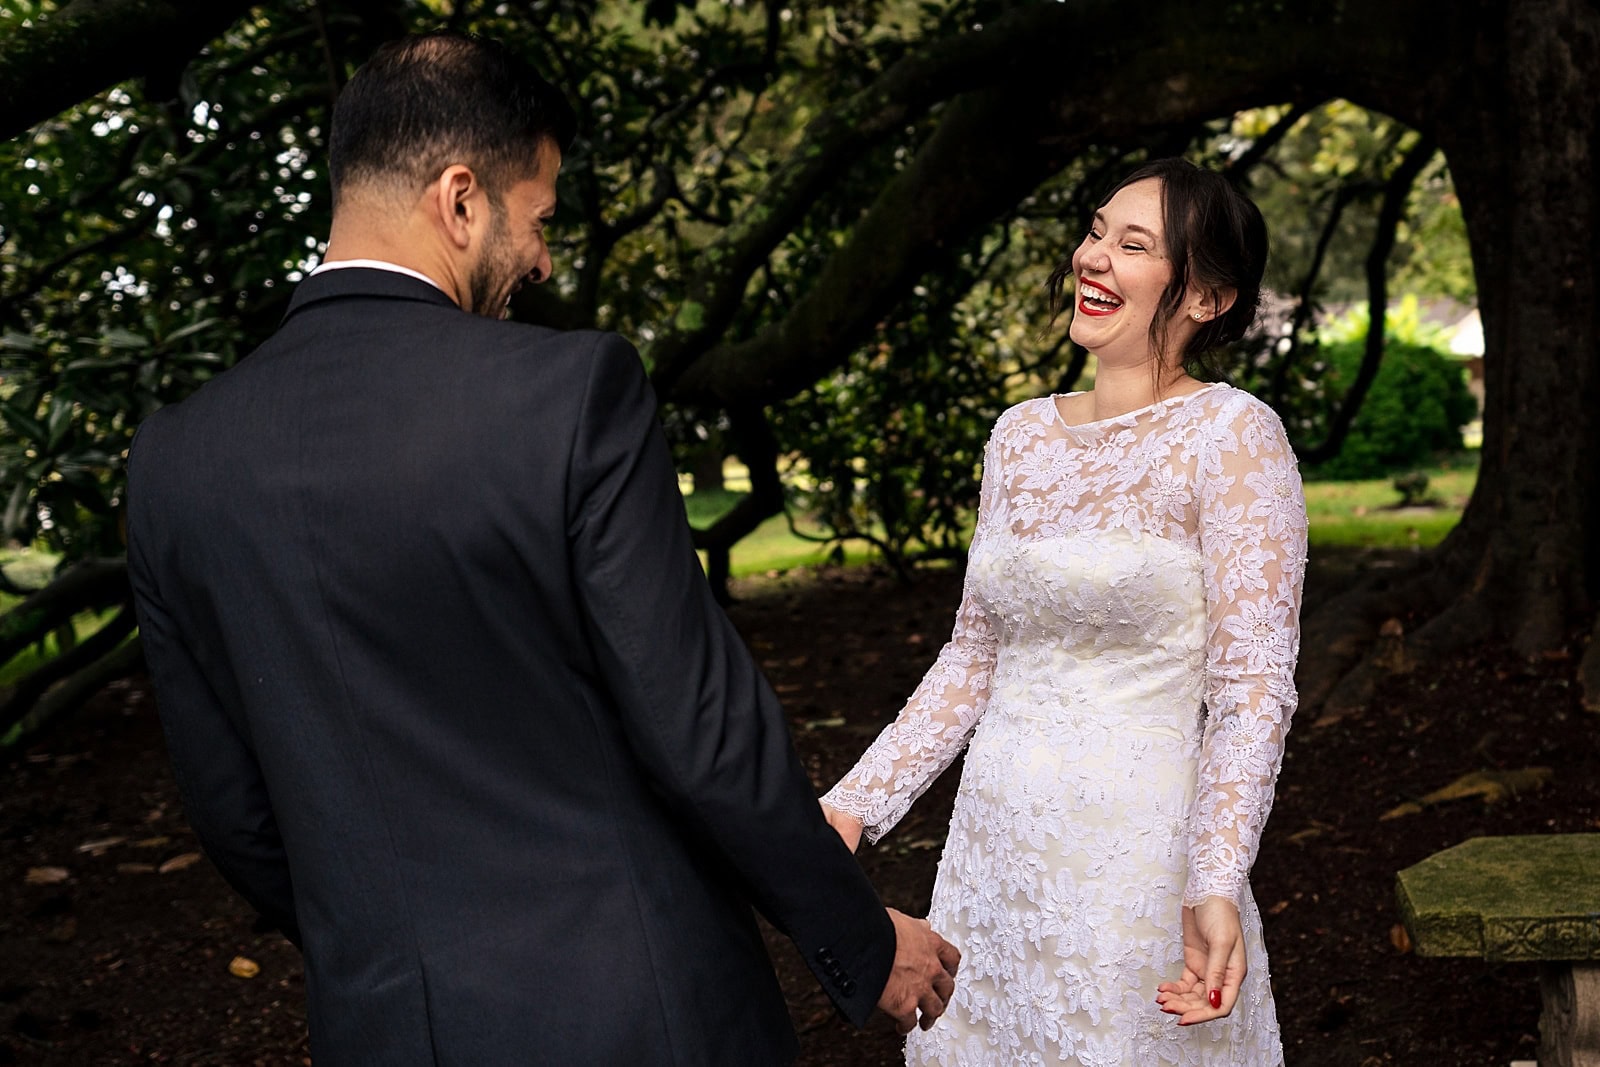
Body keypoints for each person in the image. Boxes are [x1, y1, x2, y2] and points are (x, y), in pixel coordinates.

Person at [125, 31, 958, 1065]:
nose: (544, 259)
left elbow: (232, 809)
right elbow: (701, 732)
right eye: (541, 217)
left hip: (384, 1026)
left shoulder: (174, 461)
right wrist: (859, 935)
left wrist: (395, 948)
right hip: (636, 1014)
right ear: (461, 199)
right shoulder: (569, 394)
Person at [820, 158, 1305, 1065]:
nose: (1094, 256)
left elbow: (1252, 688)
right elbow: (973, 658)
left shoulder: (1235, 435)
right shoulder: (1019, 436)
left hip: (1135, 864)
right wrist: (852, 804)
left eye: (1135, 245)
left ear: (1206, 298)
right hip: (992, 854)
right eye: (1095, 231)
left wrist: (1215, 877)